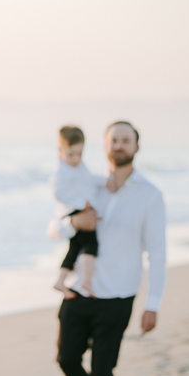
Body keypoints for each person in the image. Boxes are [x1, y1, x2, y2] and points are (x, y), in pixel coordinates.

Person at [49, 120, 166, 376]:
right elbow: (54, 227)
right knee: (66, 359)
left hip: (119, 296)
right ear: (104, 146)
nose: (119, 145)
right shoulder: (87, 184)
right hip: (78, 292)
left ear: (136, 147)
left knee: (102, 369)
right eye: (113, 139)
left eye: (125, 140)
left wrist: (153, 304)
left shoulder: (150, 195)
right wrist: (73, 223)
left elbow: (157, 253)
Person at [52, 125, 115, 295]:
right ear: (60, 151)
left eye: (79, 154)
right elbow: (58, 193)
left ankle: (60, 281)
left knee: (74, 249)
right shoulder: (62, 172)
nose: (75, 159)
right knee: (90, 245)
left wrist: (104, 181)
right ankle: (86, 281)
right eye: (70, 154)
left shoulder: (79, 166)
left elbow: (89, 179)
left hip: (80, 211)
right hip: (76, 212)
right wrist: (82, 204)